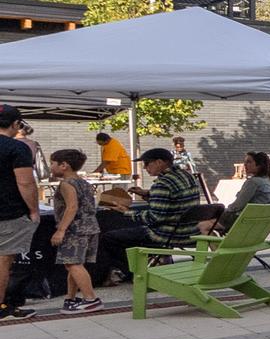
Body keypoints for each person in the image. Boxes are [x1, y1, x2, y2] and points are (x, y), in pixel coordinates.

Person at [100, 148, 203, 262]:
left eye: (147, 163)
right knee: (128, 230)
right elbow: (175, 199)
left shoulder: (162, 184)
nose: (145, 167)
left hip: (167, 234)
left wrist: (126, 212)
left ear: (159, 162)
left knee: (109, 238)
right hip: (191, 231)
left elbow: (155, 218)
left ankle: (134, 273)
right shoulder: (186, 175)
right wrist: (148, 194)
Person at [46, 148, 101, 314]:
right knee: (74, 265)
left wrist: (61, 230)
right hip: (91, 226)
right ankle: (70, 298)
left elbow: (72, 207)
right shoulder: (84, 183)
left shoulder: (66, 184)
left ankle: (91, 299)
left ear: (64, 165)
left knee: (73, 264)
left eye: (53, 164)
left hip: (75, 230)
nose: (51, 168)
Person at [0, 106, 41, 320]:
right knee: (4, 260)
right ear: (16, 124)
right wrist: (34, 210)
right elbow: (25, 182)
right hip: (8, 212)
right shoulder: (16, 148)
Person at [207, 151, 270, 233]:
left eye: (249, 162)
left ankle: (219, 246)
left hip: (240, 221)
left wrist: (225, 211)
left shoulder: (253, 182)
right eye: (245, 162)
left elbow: (237, 205)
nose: (245, 165)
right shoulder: (267, 181)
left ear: (259, 165)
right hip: (254, 223)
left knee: (203, 225)